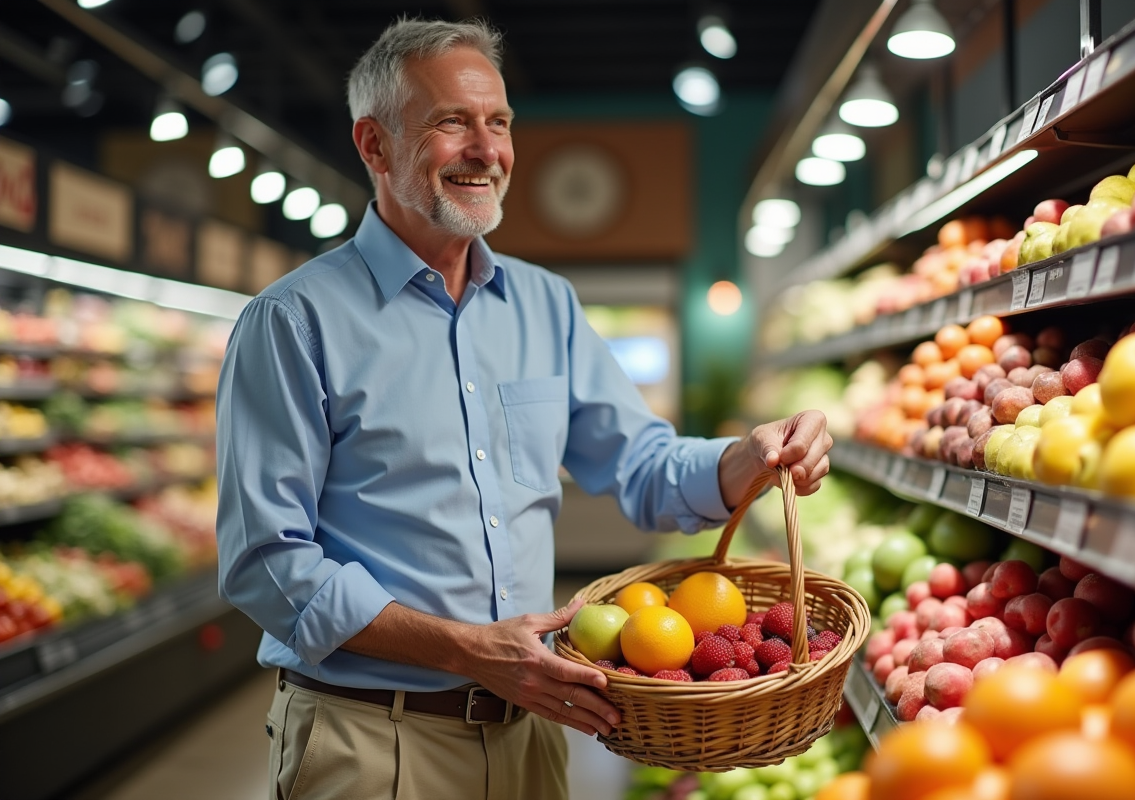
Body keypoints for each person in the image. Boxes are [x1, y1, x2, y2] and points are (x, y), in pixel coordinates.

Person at [215, 16, 833, 800]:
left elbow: (640, 463)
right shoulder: (294, 322)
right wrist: (464, 650)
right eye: (452, 123)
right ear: (373, 146)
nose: (487, 150)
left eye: (498, 123)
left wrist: (747, 458)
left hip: (535, 733)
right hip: (373, 740)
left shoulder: (546, 306)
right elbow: (267, 561)